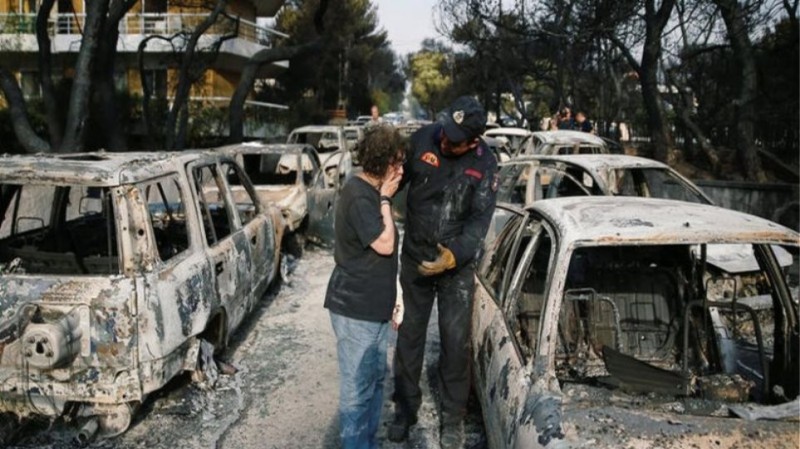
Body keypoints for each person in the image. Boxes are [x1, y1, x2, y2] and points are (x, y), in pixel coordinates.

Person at [388, 96, 498, 449]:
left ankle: (452, 419)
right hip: (415, 260)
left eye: (454, 139)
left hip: (455, 270)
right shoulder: (423, 139)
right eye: (445, 132)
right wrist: (379, 200)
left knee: (455, 345)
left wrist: (453, 256)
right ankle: (405, 410)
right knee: (408, 339)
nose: (445, 141)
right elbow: (393, 182)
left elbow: (480, 222)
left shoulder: (486, 164)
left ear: (474, 140)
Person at [324, 124, 405, 449]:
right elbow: (385, 244)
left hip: (374, 309)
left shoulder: (370, 192)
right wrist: (386, 199)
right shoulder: (361, 195)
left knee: (374, 383)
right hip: (356, 310)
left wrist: (395, 295)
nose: (401, 169)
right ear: (380, 162)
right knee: (357, 392)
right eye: (396, 162)